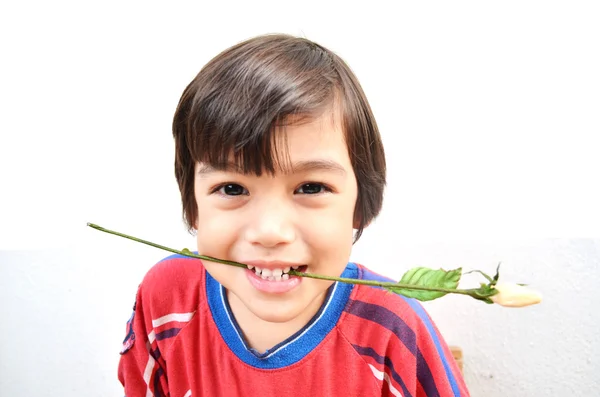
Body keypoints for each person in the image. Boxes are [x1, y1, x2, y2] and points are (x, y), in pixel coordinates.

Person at [117, 33, 470, 397]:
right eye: (232, 189)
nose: (270, 232)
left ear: (361, 205)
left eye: (311, 188)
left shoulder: (393, 329)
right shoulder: (165, 300)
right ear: (193, 206)